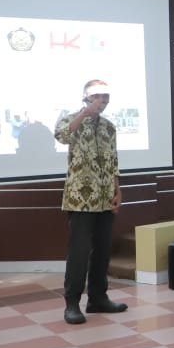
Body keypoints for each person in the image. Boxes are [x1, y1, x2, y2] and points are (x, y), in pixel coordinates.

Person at [54, 80, 127, 325]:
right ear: (86, 97)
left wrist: (118, 190)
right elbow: (62, 136)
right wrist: (85, 113)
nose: (102, 101)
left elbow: (113, 160)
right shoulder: (70, 118)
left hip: (105, 196)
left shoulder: (109, 127)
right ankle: (72, 303)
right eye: (98, 96)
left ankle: (98, 298)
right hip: (80, 198)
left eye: (106, 97)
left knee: (103, 249)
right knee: (79, 251)